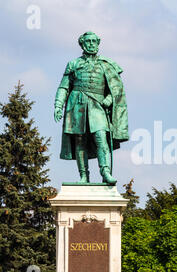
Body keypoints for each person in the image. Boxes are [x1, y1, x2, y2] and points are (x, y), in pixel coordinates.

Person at [54, 31, 129, 184]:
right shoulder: (73, 64)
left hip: (97, 106)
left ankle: (105, 172)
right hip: (77, 105)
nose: (91, 44)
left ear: (98, 43)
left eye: (94, 41)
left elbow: (116, 89)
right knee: (80, 141)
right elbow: (64, 87)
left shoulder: (106, 64)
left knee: (101, 138)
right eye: (88, 41)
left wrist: (109, 99)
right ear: (82, 44)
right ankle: (84, 176)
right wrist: (58, 104)